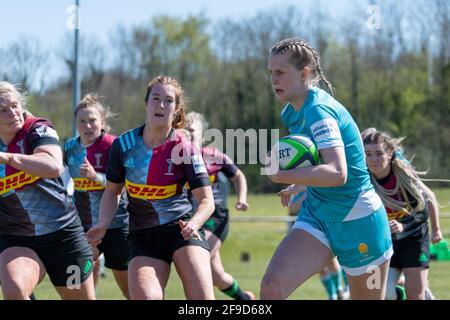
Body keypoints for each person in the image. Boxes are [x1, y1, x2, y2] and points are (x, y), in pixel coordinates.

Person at [261, 38, 393, 300]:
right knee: (271, 289)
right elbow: (314, 161)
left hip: (358, 219)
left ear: (304, 74)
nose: (273, 79)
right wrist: (299, 183)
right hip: (318, 215)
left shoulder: (319, 110)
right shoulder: (291, 112)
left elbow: (337, 172)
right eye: (271, 73)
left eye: (280, 72)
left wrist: (280, 174)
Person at [86, 75, 215, 300]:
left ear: (176, 110)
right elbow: (112, 191)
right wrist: (103, 223)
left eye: (168, 100)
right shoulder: (123, 145)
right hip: (143, 235)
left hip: (182, 229)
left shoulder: (185, 149)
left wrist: (194, 224)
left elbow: (206, 201)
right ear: (146, 103)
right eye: (156, 98)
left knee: (202, 299)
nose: (161, 105)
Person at [0, 81, 95, 299]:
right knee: (14, 289)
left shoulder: (37, 129)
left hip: (62, 235)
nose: (13, 113)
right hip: (17, 236)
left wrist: (7, 158)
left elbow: (52, 166)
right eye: (3, 110)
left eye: (15, 105)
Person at [362, 128, 442, 300]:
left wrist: (404, 225)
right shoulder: (362, 179)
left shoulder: (403, 177)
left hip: (414, 239)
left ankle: (421, 290)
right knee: (381, 293)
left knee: (416, 295)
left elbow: (422, 212)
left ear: (390, 153)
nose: (373, 159)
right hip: (385, 242)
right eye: (368, 154)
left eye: (378, 153)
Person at [183, 111, 254, 300]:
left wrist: (242, 198)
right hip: (193, 218)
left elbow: (238, 176)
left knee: (199, 259)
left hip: (215, 216)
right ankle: (246, 301)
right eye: (184, 130)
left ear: (202, 134)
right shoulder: (178, 159)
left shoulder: (213, 155)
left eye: (192, 130)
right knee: (217, 276)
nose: (188, 134)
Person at [64, 94, 129, 298]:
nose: (87, 125)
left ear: (102, 123)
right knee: (74, 280)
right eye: (82, 121)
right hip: (84, 227)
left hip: (115, 225)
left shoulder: (114, 146)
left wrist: (96, 177)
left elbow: (126, 186)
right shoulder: (70, 147)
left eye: (92, 120)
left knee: (130, 290)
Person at [280, 187, 350, 300]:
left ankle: (339, 290)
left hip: (324, 229)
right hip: (306, 233)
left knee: (332, 261)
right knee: (320, 267)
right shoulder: (300, 190)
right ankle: (332, 295)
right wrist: (306, 192)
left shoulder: (320, 188)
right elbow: (292, 208)